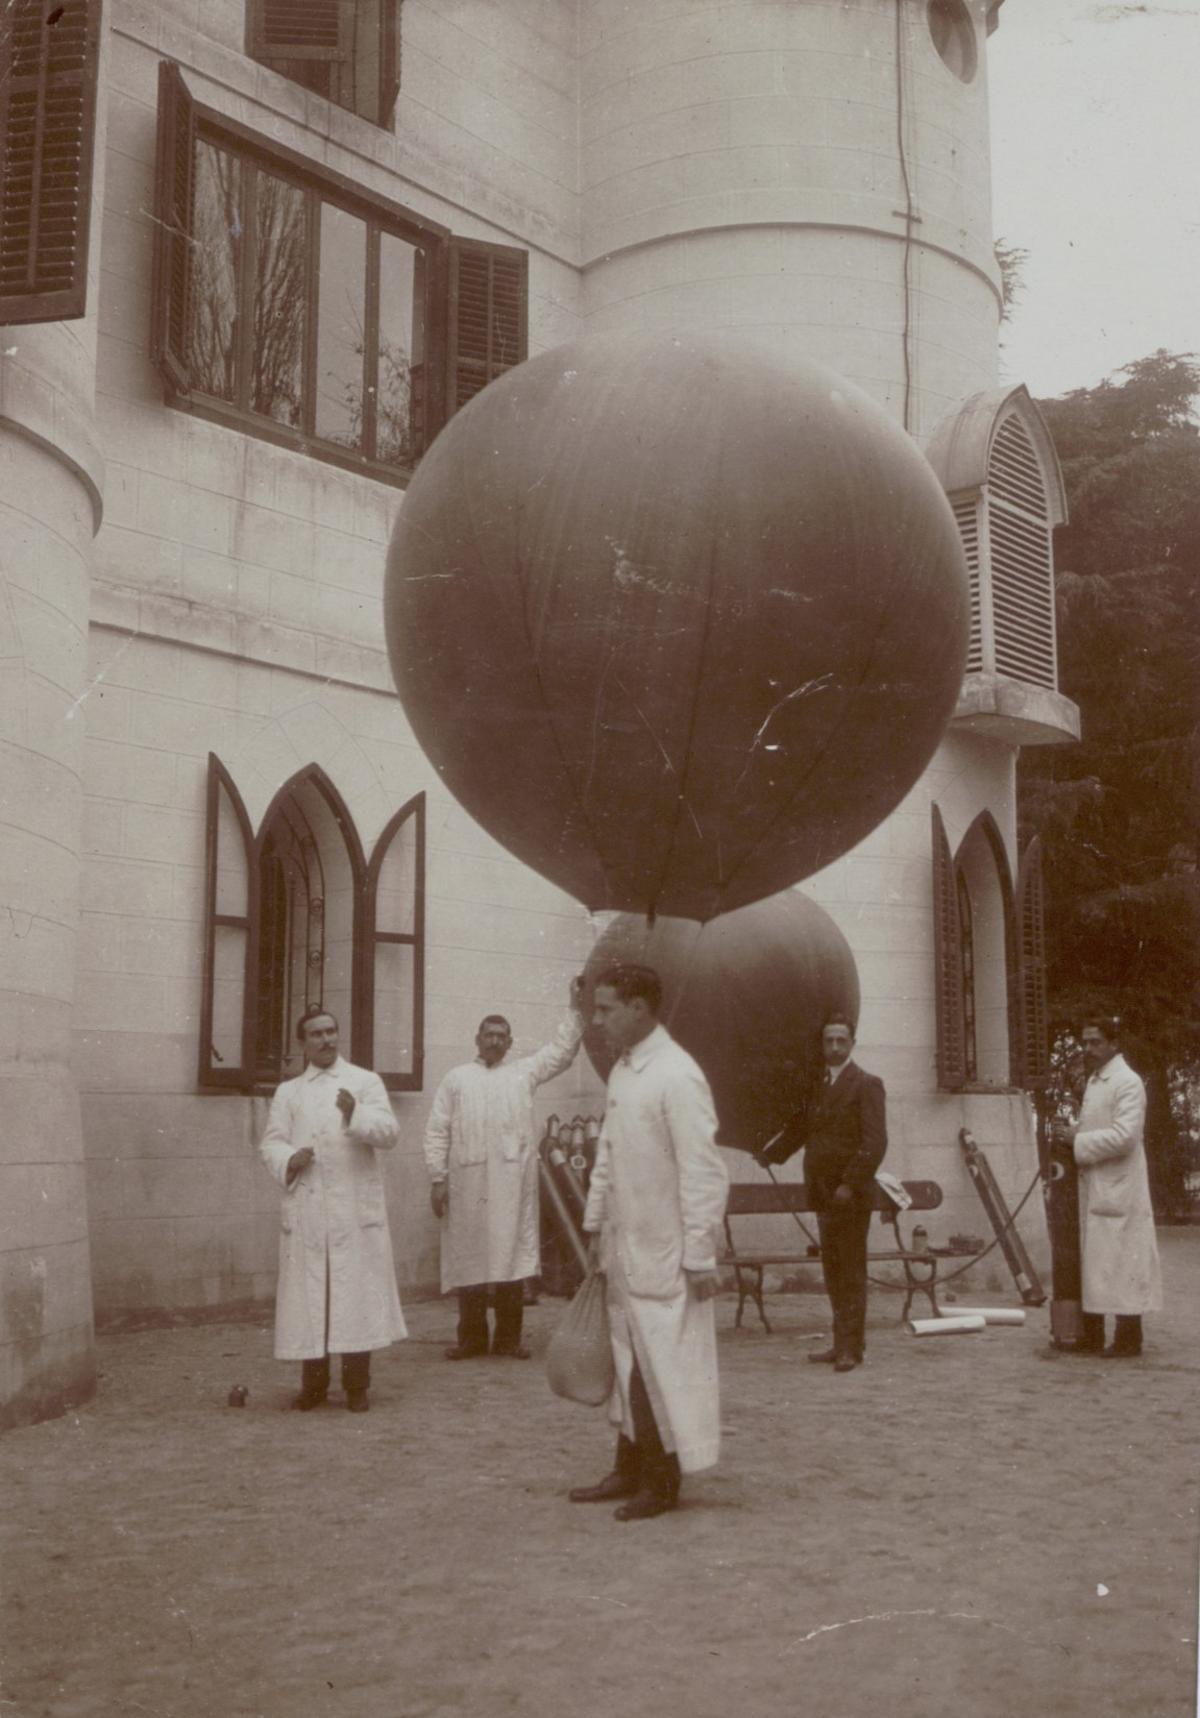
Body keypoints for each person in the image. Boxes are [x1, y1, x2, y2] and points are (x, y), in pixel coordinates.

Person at [570, 964, 729, 1522]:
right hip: (623, 1245)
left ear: (640, 1008)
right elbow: (607, 1157)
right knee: (626, 1359)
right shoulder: (624, 1071)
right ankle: (629, 1466)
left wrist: (700, 1254)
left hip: (666, 1250)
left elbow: (704, 1171)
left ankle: (662, 1482)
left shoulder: (677, 1075)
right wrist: (595, 1228)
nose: (599, 1018)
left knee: (662, 1365)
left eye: (607, 1008)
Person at [423, 979, 585, 1359]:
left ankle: (509, 1339)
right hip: (468, 1184)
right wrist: (437, 1178)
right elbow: (436, 1130)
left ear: (510, 1043)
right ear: (476, 1039)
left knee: (511, 1258)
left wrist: (575, 1009)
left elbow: (562, 1052)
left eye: (502, 1036)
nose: (495, 1041)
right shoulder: (456, 1079)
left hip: (512, 1184)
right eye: (488, 1034)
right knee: (471, 1261)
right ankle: (472, 1340)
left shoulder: (523, 1073)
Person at [259, 1008, 407, 1412]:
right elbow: (270, 1142)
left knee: (353, 1297)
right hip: (310, 1208)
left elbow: (390, 1134)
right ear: (302, 1043)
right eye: (316, 1034)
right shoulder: (289, 1092)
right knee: (314, 1298)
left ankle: (357, 1387)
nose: (326, 1040)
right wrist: (291, 1158)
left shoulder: (364, 1081)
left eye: (331, 1031)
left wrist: (354, 1114)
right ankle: (314, 1387)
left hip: (353, 1210)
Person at [761, 1013, 887, 1372]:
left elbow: (875, 1143)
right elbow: (801, 1128)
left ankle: (851, 1348)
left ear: (852, 1044)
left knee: (850, 1270)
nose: (834, 1047)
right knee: (834, 1270)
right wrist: (771, 1154)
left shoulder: (867, 1084)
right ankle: (842, 1343)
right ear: (822, 1044)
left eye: (841, 1041)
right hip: (822, 1192)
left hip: (850, 1194)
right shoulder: (818, 1086)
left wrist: (850, 1183)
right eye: (828, 1041)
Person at [1050, 1016, 1162, 1357]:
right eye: (1085, 1042)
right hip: (1096, 1184)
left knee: (1123, 1262)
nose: (1088, 1049)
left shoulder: (1127, 1082)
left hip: (1120, 1186)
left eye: (1095, 1042)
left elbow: (1126, 1137)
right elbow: (1098, 1126)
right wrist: (1070, 1132)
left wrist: (1078, 1139)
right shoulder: (1096, 1081)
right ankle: (1092, 1334)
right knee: (1095, 1264)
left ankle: (1130, 1338)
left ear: (1114, 1044)